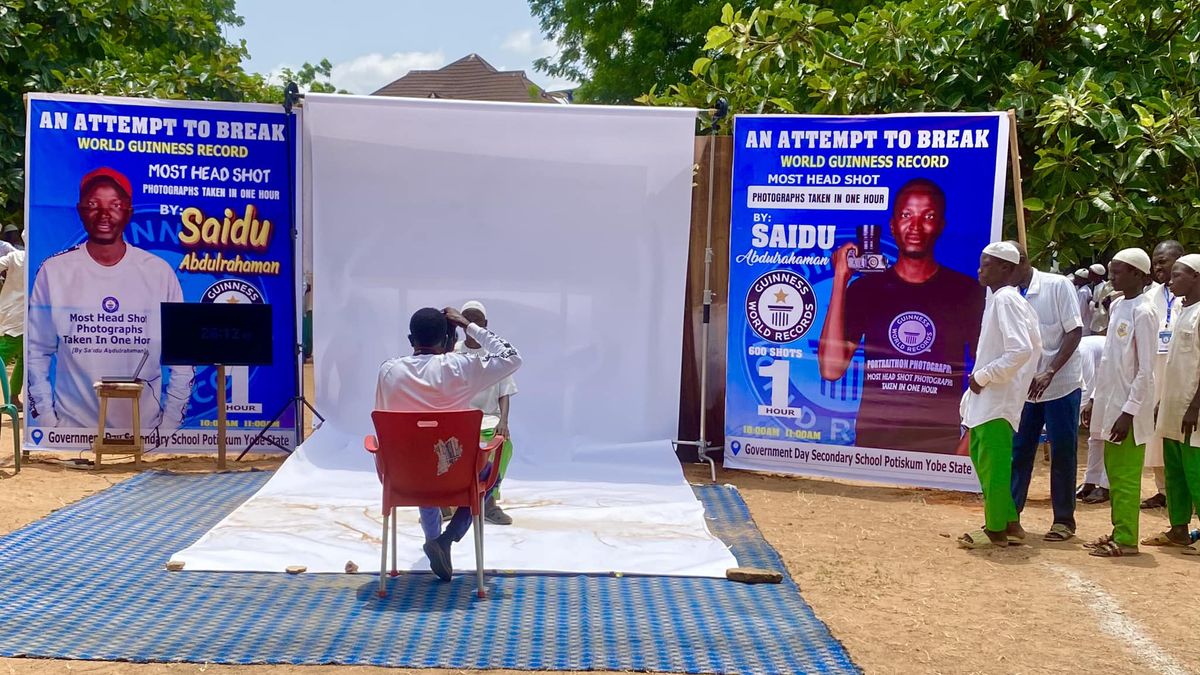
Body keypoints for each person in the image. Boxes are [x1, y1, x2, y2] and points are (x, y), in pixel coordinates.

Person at [819, 178, 985, 454]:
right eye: (907, 216)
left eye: (928, 216)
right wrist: (840, 279)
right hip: (874, 446)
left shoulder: (966, 292)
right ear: (894, 225)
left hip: (939, 447)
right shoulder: (866, 289)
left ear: (941, 225)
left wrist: (967, 441)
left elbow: (990, 372)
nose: (916, 227)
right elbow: (830, 368)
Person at [27, 167, 193, 436]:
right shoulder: (54, 271)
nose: (104, 214)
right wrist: (48, 423)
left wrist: (169, 426)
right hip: (73, 434)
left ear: (129, 211)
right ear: (80, 210)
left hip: (145, 433)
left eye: (115, 205)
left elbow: (183, 357)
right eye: (93, 204)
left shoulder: (158, 272)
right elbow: (36, 351)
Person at [375, 307, 522, 581]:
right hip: (454, 478)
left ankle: (434, 540)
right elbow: (512, 357)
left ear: (410, 340)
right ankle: (447, 539)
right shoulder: (460, 366)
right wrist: (469, 325)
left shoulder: (388, 371)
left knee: (421, 459)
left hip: (401, 477)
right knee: (489, 475)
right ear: (447, 338)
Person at [957, 242, 1041, 549]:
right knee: (984, 460)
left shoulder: (1006, 299)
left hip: (997, 396)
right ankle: (1008, 522)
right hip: (990, 396)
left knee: (993, 465)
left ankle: (994, 531)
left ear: (1006, 268)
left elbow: (1021, 349)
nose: (980, 269)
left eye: (988, 263)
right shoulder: (1001, 299)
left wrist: (984, 376)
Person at [1081, 249, 1157, 557]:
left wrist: (1129, 413)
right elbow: (1109, 361)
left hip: (1128, 411)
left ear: (1138, 274)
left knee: (1125, 478)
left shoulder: (1145, 311)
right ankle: (1118, 530)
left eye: (1119, 271)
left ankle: (1127, 540)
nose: (1113, 277)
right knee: (1113, 473)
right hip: (1109, 404)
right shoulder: (1118, 306)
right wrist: (1094, 399)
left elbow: (1146, 370)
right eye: (1112, 271)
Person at [1007, 242, 1083, 542]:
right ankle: (1010, 516)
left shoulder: (1057, 285)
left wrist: (1050, 370)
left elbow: (1074, 331)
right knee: (1020, 450)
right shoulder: (1007, 295)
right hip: (1024, 389)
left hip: (1061, 385)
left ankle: (1063, 520)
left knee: (1063, 452)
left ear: (1018, 263)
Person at [1141, 254, 1200, 554]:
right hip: (1173, 406)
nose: (1172, 280)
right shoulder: (1181, 309)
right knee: (1174, 470)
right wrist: (1163, 401)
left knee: (1195, 471)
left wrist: (1194, 407)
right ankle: (1178, 528)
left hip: (1193, 411)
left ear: (1196, 278)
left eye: (1179, 275)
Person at [454, 300, 517, 525]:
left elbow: (505, 391)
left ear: (485, 324)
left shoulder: (496, 354)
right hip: (459, 421)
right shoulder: (453, 352)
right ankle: (447, 503)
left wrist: (504, 421)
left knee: (505, 446)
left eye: (476, 320)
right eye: (467, 319)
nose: (471, 324)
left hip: (489, 421)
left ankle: (489, 502)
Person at [1140, 240, 1185, 510]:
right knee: (1155, 434)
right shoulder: (1149, 297)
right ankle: (1164, 490)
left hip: (1181, 369)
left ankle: (1187, 490)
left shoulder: (1192, 294)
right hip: (1155, 367)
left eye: (1163, 260)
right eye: (1155, 260)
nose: (1158, 265)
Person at [1075, 335, 1110, 503]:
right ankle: (1090, 481)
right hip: (1101, 385)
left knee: (1109, 434)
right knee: (1095, 436)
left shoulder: (1081, 350)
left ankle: (1106, 486)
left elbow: (1087, 387)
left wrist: (1074, 417)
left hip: (1114, 382)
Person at [0, 228, 26, 410]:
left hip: (15, 314)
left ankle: (14, 398)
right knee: (14, 357)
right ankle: (14, 397)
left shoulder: (15, 256)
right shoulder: (43, 258)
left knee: (21, 360)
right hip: (25, 318)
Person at [1089, 263, 1112, 335]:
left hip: (1102, 324)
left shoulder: (1104, 287)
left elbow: (1100, 304)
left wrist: (1091, 303)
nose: (1088, 275)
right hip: (1093, 321)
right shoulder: (1093, 286)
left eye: (1091, 273)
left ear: (1097, 275)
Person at [1073, 269, 1094, 336]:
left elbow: (1081, 310)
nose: (1074, 279)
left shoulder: (1083, 292)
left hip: (1083, 326)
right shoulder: (1082, 290)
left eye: (1077, 278)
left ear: (1082, 280)